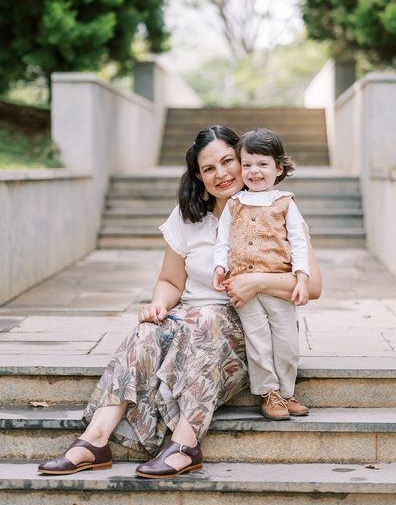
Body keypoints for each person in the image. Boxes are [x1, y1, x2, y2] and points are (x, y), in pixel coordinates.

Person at [37, 125, 321, 480]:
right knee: (147, 331)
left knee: (207, 319)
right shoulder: (188, 218)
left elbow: (312, 286)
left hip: (250, 329)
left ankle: (186, 442)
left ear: (245, 158)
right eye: (208, 169)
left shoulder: (277, 209)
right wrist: (158, 304)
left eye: (227, 161)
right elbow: (171, 281)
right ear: (199, 177)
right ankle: (94, 441)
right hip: (190, 321)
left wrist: (256, 281)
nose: (221, 174)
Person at [213, 128, 311, 421]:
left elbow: (298, 241)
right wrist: (219, 266)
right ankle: (269, 393)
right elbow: (222, 241)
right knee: (258, 341)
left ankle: (286, 392)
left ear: (278, 168)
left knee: (286, 341)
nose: (254, 171)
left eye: (262, 164)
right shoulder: (235, 203)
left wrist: (302, 277)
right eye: (247, 165)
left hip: (278, 283)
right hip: (243, 284)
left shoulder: (285, 202)